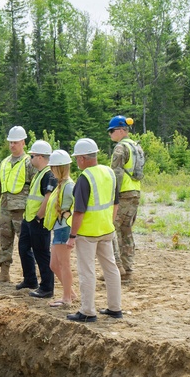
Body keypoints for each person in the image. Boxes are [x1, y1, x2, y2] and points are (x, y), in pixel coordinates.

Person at [66, 138, 123, 323]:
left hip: (88, 233)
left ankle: (87, 311)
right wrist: (109, 223)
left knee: (86, 271)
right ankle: (115, 308)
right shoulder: (109, 172)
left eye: (77, 158)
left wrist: (72, 235)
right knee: (111, 268)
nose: (76, 161)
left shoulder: (85, 178)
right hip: (107, 230)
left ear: (83, 158)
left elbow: (79, 211)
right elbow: (115, 203)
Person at [0, 126, 36, 284]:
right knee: (4, 239)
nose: (12, 145)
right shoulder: (4, 163)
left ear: (23, 142)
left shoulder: (30, 162)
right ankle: (4, 272)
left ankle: (30, 275)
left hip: (22, 210)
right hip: (6, 207)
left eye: (15, 142)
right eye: (10, 142)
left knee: (26, 243)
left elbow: (36, 186)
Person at [19, 140, 57, 298]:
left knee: (41, 253)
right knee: (24, 248)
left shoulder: (49, 175)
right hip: (29, 219)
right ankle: (30, 279)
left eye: (32, 156)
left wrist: (38, 217)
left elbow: (48, 198)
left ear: (40, 157)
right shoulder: (39, 173)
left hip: (38, 221)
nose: (30, 159)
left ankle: (47, 287)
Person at [108, 116, 140, 282]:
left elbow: (116, 173)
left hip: (123, 194)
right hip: (135, 192)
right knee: (126, 231)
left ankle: (116, 267)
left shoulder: (120, 148)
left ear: (121, 130)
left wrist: (113, 195)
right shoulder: (136, 146)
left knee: (110, 229)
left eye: (112, 131)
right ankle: (127, 270)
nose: (110, 134)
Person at [44, 149, 76, 307]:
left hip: (64, 229)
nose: (51, 171)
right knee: (54, 265)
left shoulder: (69, 186)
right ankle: (70, 293)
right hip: (58, 228)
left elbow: (78, 207)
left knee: (63, 264)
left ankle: (67, 298)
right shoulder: (61, 185)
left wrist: (67, 215)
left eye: (52, 168)